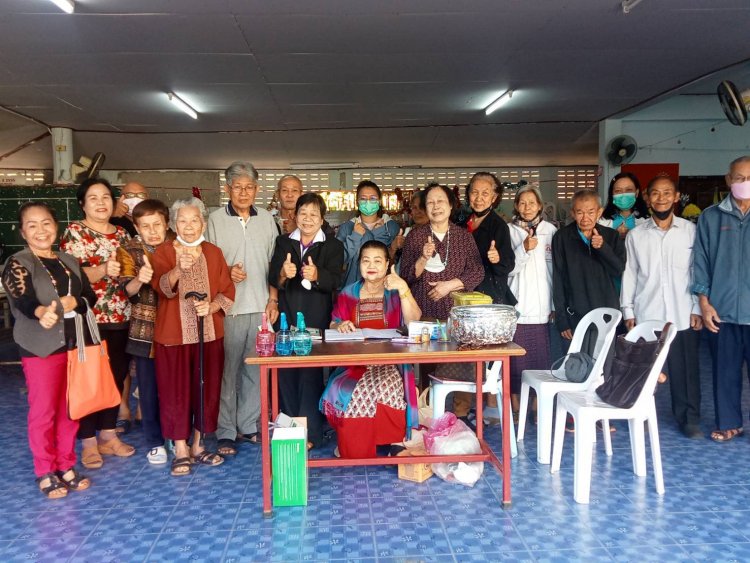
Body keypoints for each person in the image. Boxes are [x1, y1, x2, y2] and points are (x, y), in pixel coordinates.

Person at [2, 203, 96, 498]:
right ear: (22, 231)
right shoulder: (18, 262)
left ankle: (66, 465)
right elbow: (22, 299)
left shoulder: (69, 259)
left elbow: (88, 297)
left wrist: (75, 303)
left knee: (70, 410)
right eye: (32, 225)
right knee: (44, 411)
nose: (40, 230)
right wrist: (42, 310)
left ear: (55, 226)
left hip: (73, 345)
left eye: (46, 223)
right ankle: (45, 470)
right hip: (40, 347)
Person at [151, 197, 235, 476]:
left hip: (209, 334)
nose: (189, 226)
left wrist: (211, 306)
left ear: (204, 222)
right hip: (173, 335)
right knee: (175, 391)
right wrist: (178, 269)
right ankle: (180, 448)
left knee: (206, 388)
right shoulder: (163, 251)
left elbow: (227, 290)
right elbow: (160, 287)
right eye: (183, 221)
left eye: (194, 220)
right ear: (175, 224)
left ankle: (198, 445)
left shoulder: (214, 252)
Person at [320, 241, 421, 458]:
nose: (371, 265)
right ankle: (355, 446)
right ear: (359, 265)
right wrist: (340, 325)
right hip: (354, 364)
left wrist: (403, 288)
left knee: (387, 385)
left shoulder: (395, 291)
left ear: (387, 265)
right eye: (366, 260)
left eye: (377, 260)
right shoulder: (349, 293)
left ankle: (391, 442)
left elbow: (414, 321)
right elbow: (333, 323)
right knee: (350, 389)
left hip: (390, 363)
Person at [60, 177, 135, 469]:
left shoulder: (123, 234)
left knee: (115, 378)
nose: (101, 202)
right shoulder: (75, 233)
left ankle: (108, 434)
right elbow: (71, 278)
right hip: (89, 319)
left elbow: (130, 273)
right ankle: (88, 442)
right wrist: (103, 269)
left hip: (121, 315)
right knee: (89, 380)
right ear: (83, 203)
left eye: (105, 197)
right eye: (93, 198)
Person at [621, 175, 703, 439]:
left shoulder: (690, 232)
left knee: (685, 371)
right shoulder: (636, 235)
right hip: (648, 312)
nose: (661, 198)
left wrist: (697, 308)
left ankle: (688, 418)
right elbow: (630, 273)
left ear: (676, 196)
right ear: (646, 197)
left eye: (667, 193)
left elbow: (696, 272)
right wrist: (628, 310)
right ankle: (641, 412)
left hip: (682, 312)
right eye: (655, 193)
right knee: (645, 368)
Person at [207, 161, 279, 457]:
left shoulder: (266, 220)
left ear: (257, 190)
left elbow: (275, 265)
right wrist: (226, 273)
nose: (244, 192)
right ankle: (225, 430)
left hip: (261, 307)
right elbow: (208, 264)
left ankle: (249, 425)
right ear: (228, 189)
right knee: (228, 371)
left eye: (249, 187)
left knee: (254, 370)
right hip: (229, 309)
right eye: (238, 187)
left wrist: (273, 300)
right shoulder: (214, 219)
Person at [268, 193, 344, 448]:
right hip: (287, 319)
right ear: (295, 215)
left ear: (322, 219)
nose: (308, 219)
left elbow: (337, 282)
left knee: (310, 376)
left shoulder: (332, 245)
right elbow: (272, 278)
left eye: (314, 215)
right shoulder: (283, 243)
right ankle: (289, 428)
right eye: (303, 213)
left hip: (316, 320)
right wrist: (282, 273)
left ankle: (308, 433)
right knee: (286, 374)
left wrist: (317, 274)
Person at [693, 155, 750, 443]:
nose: (744, 184)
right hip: (721, 309)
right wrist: (704, 302)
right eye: (739, 178)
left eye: (749, 178)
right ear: (728, 180)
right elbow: (701, 261)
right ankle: (730, 422)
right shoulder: (711, 217)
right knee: (724, 372)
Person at [116, 199, 171, 463]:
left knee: (176, 386)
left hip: (176, 329)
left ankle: (176, 434)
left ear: (166, 224)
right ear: (136, 227)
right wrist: (141, 279)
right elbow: (127, 290)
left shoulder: (177, 246)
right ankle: (154, 441)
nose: (152, 231)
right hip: (145, 330)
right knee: (148, 388)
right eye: (145, 226)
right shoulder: (129, 250)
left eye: (157, 224)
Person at [507, 186, 557, 421]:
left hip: (543, 307)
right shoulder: (509, 231)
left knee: (541, 361)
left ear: (540, 206)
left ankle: (537, 408)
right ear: (516, 206)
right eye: (522, 203)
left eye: (532, 203)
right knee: (517, 362)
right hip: (517, 307)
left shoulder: (551, 231)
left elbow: (555, 271)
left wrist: (555, 305)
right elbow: (507, 269)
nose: (527, 207)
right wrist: (523, 250)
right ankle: (517, 408)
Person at [400, 183, 484, 320]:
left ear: (450, 205)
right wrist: (422, 258)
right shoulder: (415, 236)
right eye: (430, 203)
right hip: (421, 314)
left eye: (440, 201)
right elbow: (405, 277)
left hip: (457, 316)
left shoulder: (464, 236)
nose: (436, 206)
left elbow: (477, 272)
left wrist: (449, 286)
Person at [552, 189, 626, 343]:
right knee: (576, 364)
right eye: (580, 212)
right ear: (573, 213)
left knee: (604, 363)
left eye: (591, 212)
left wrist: (603, 248)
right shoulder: (562, 237)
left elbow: (618, 270)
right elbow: (558, 279)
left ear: (599, 212)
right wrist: (562, 319)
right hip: (574, 315)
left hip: (607, 315)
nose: (585, 218)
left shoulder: (611, 236)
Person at [458, 172, 515, 305]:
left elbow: (509, 264)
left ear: (494, 197)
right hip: (463, 294)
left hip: (488, 297)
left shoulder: (499, 226)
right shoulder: (461, 224)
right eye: (474, 192)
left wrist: (497, 259)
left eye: (485, 193)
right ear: (468, 194)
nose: (479, 198)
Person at [337, 180, 401, 288]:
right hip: (353, 289)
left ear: (379, 201)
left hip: (384, 289)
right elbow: (338, 260)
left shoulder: (391, 227)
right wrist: (355, 236)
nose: (368, 202)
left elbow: (396, 263)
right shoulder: (347, 228)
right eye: (363, 198)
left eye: (372, 198)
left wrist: (389, 244)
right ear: (357, 201)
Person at [599, 172, 649, 239]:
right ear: (612, 194)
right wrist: (614, 236)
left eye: (628, 190)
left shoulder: (648, 220)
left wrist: (631, 235)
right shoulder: (601, 220)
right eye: (618, 191)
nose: (623, 195)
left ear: (636, 193)